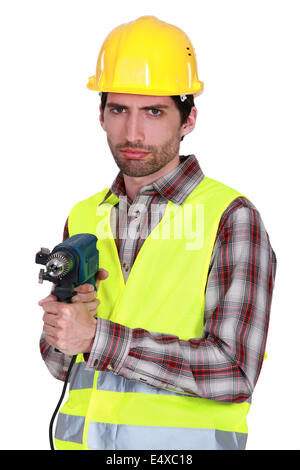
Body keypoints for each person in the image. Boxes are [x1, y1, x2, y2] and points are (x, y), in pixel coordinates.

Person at [38, 16, 277, 451]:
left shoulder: (231, 217)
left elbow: (234, 372)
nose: (132, 133)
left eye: (154, 111)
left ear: (188, 119)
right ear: (100, 115)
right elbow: (59, 365)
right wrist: (65, 325)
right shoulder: (84, 215)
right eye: (118, 110)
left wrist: (97, 337)